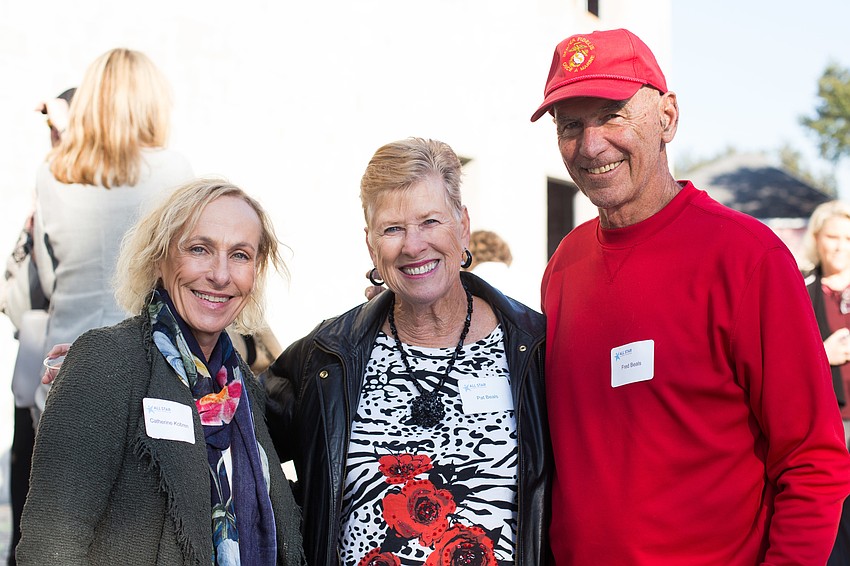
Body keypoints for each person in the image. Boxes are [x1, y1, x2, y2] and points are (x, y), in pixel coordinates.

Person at [530, 28, 850, 564]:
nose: (590, 145)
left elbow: (813, 460)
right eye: (570, 126)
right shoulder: (564, 266)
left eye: (612, 114)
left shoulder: (749, 259)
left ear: (667, 118)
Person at [264, 137, 550, 565]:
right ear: (371, 245)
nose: (413, 245)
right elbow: (236, 442)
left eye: (430, 221)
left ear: (463, 225)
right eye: (392, 229)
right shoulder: (327, 357)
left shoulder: (533, 349)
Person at [16, 178, 304, 565]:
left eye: (239, 255)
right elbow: (51, 542)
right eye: (199, 249)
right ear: (158, 256)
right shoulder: (109, 361)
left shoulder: (239, 389)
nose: (220, 275)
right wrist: (93, 366)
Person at [30, 47, 192, 421]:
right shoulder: (175, 171)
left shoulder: (53, 172)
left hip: (62, 368)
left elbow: (48, 278)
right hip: (144, 369)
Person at [799, 200, 850, 565]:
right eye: (832, 237)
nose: (840, 246)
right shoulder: (801, 289)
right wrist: (822, 352)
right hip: (831, 419)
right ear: (817, 239)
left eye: (848, 238)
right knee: (836, 509)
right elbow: (785, 355)